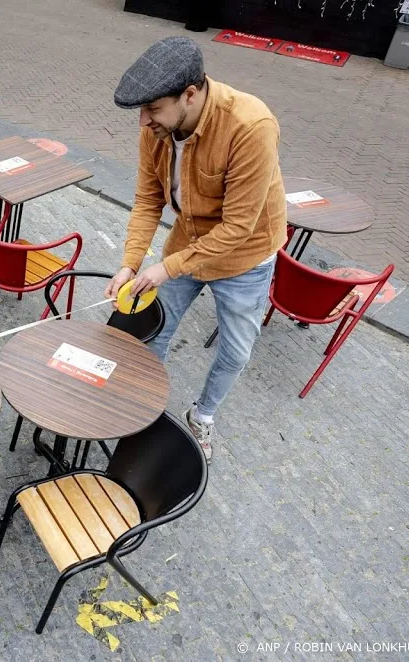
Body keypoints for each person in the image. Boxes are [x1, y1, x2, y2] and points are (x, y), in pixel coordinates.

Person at [105, 37, 287, 462]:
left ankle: (203, 416)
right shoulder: (156, 128)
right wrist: (131, 264)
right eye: (141, 111)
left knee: (236, 351)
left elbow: (239, 227)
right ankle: (140, 405)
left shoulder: (251, 125)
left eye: (152, 110)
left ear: (190, 94)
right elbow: (149, 199)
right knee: (152, 329)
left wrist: (165, 268)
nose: (143, 122)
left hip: (245, 258)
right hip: (186, 245)